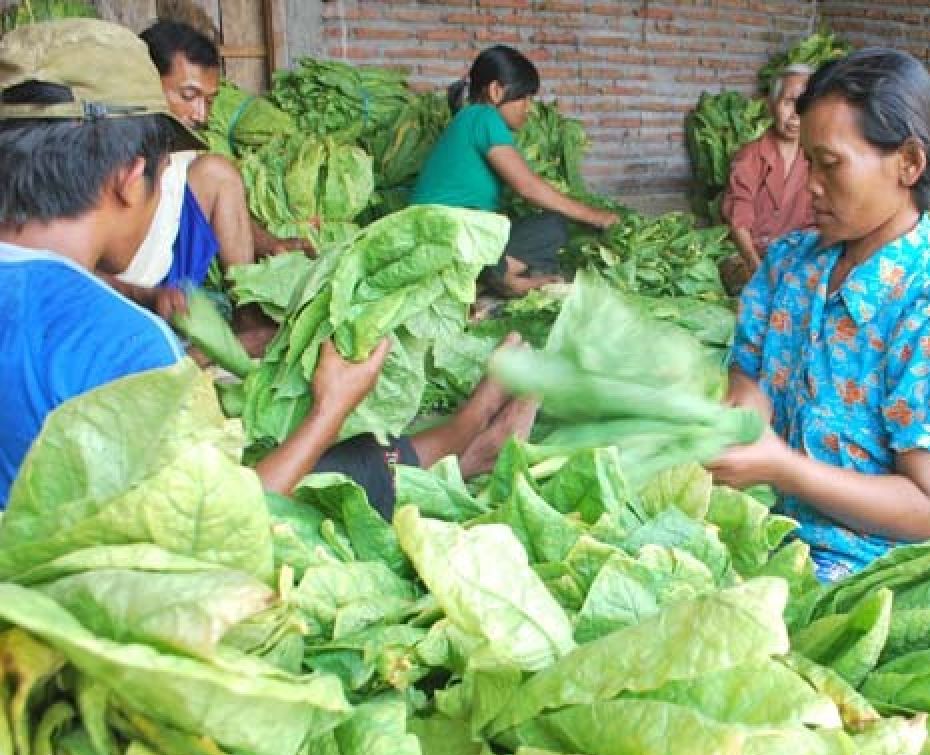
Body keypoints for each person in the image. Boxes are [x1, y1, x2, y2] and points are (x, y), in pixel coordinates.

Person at [0, 19, 534, 514]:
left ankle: (462, 444)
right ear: (129, 176)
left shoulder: (74, 308)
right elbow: (217, 529)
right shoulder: (125, 344)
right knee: (316, 468)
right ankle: (467, 439)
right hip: (82, 586)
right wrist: (332, 407)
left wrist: (144, 297)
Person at [707, 49, 930, 582]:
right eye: (808, 161)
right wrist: (741, 426)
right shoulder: (790, 263)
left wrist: (786, 469)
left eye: (830, 163)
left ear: (908, 162)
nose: (810, 184)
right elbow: (749, 376)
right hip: (771, 529)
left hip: (873, 571)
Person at [117, 20, 311, 329]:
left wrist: (272, 243)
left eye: (208, 101)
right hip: (119, 298)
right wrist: (147, 296)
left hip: (166, 290)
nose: (201, 115)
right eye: (188, 95)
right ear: (146, 82)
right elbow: (73, 267)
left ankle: (247, 317)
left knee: (218, 172)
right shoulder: (104, 157)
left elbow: (231, 218)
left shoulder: (178, 154)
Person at [411, 45, 619, 297]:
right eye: (525, 97)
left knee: (544, 231)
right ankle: (500, 279)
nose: (529, 108)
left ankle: (493, 276)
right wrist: (596, 216)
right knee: (552, 229)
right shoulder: (484, 117)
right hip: (449, 241)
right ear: (496, 91)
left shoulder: (467, 119)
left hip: (433, 238)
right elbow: (527, 187)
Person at [720, 64, 815, 295]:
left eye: (804, 106)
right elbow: (739, 218)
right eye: (788, 102)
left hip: (799, 258)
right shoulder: (750, 156)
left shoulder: (817, 158)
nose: (795, 115)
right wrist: (756, 266)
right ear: (771, 106)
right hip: (749, 256)